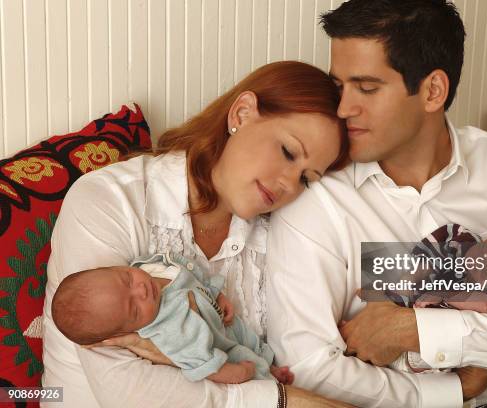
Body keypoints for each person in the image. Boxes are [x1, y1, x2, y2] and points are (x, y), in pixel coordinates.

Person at [265, 1, 487, 407]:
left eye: (367, 88)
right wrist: (456, 389)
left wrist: (413, 329)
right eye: (339, 86)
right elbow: (309, 367)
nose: (343, 108)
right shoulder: (316, 188)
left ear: (433, 91)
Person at [42, 61, 353, 408]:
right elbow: (129, 393)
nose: (289, 184)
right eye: (288, 152)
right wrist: (284, 399)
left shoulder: (279, 232)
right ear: (242, 113)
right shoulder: (110, 200)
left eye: (307, 178)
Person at [51, 252, 293, 385]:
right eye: (134, 309)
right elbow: (204, 366)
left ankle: (270, 365)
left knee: (254, 341)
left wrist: (216, 294)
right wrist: (241, 374)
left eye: (126, 279)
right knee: (250, 359)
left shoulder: (149, 267)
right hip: (226, 347)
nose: (141, 291)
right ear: (126, 330)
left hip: (224, 319)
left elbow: (189, 272)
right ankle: (271, 376)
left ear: (116, 268)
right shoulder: (168, 331)